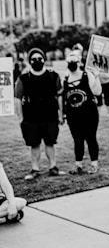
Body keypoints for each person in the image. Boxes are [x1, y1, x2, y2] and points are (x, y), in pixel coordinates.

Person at [14, 48, 65, 180]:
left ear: (44, 59)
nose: (37, 61)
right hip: (31, 118)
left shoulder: (53, 76)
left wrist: (61, 114)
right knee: (34, 144)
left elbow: (60, 96)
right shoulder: (24, 78)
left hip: (50, 116)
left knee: (50, 143)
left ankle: (53, 167)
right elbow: (18, 98)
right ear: (30, 61)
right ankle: (35, 169)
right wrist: (20, 118)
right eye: (34, 59)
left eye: (40, 58)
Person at [63, 50, 102, 175]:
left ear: (79, 62)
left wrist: (96, 76)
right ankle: (78, 165)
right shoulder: (65, 78)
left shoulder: (87, 75)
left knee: (91, 138)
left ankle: (94, 164)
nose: (72, 63)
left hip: (89, 113)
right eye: (69, 61)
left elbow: (97, 92)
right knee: (77, 140)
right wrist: (63, 114)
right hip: (73, 115)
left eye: (74, 61)